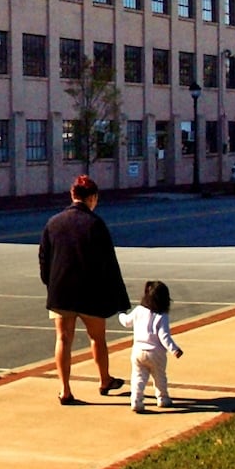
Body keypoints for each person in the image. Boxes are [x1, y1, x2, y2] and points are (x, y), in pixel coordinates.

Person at [38, 175, 131, 405]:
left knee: (63, 339)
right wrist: (118, 296)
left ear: (72, 195)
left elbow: (44, 258)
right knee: (97, 338)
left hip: (60, 291)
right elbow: (108, 262)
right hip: (91, 292)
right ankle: (104, 380)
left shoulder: (53, 222)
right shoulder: (95, 224)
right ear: (92, 198)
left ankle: (65, 389)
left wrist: (50, 283)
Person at [118, 280, 184, 414]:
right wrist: (174, 349)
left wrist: (121, 313)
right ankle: (163, 399)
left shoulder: (139, 310)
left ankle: (136, 401)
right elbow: (164, 335)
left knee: (138, 377)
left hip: (138, 351)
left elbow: (126, 322)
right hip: (156, 353)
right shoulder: (162, 315)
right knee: (159, 377)